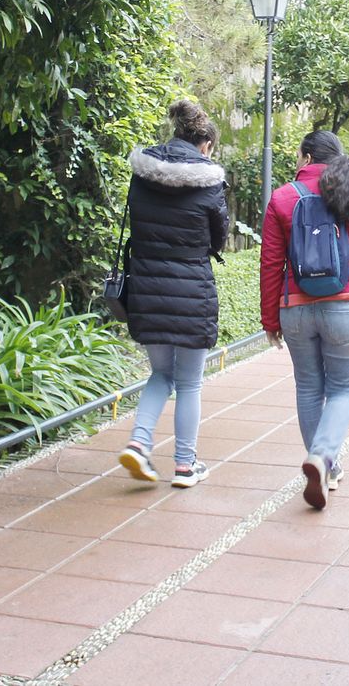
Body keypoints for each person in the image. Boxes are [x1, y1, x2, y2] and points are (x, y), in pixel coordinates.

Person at [260, 131, 349, 509]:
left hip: (295, 309)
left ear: (306, 158)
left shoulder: (282, 198)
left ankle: (326, 468)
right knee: (343, 389)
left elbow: (270, 264)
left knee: (308, 388)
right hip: (346, 306)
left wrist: (270, 318)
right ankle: (322, 457)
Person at [117, 100, 229, 488]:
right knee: (190, 383)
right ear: (205, 145)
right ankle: (184, 465)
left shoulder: (142, 174)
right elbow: (219, 239)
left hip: (146, 287)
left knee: (161, 373)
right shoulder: (209, 181)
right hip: (192, 290)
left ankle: (139, 443)